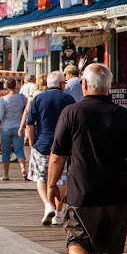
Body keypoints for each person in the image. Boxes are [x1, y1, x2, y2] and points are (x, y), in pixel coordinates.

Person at [48, 63, 127, 254]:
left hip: (81, 194)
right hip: (115, 195)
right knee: (110, 249)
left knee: (75, 241)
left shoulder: (71, 113)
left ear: (84, 85)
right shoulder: (123, 116)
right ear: (109, 86)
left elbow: (58, 156)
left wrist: (51, 186)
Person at [25, 71, 75, 226]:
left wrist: (33, 143)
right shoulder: (68, 99)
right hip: (63, 146)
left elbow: (30, 123)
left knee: (41, 177)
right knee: (62, 178)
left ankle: (47, 205)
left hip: (42, 144)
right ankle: (59, 214)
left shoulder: (39, 98)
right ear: (61, 84)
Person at [0, 79, 28, 181]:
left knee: (5, 151)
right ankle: (23, 169)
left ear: (6, 87)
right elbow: (26, 110)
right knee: (19, 149)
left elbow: (0, 116)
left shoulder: (3, 100)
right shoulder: (22, 98)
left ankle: (6, 174)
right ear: (16, 85)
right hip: (18, 126)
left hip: (5, 127)